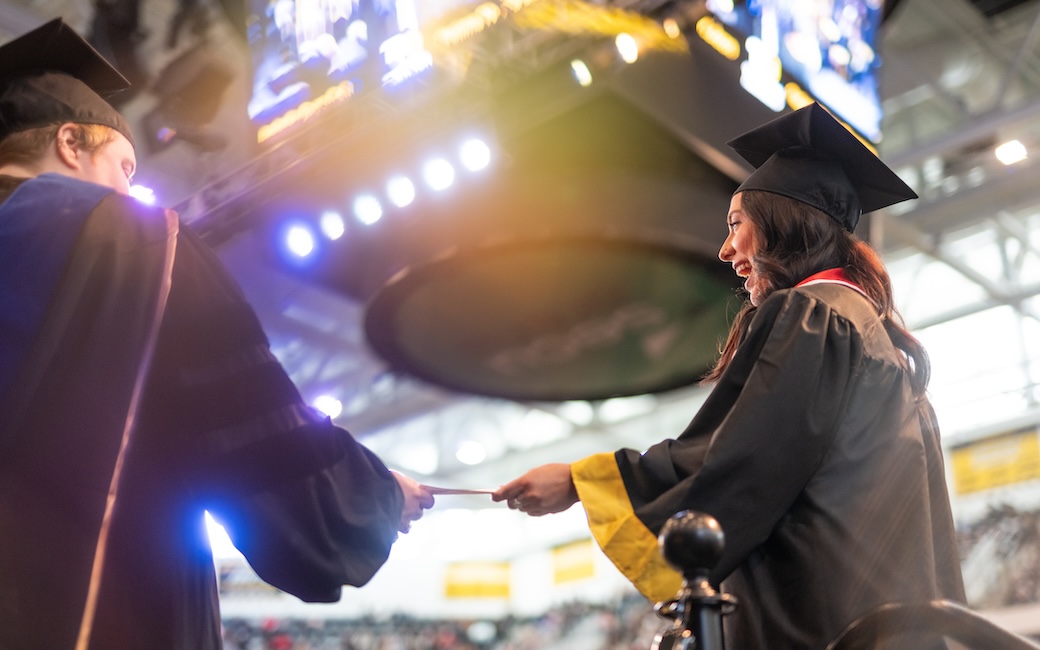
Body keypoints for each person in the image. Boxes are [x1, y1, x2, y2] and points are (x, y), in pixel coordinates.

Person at [0, 19, 434, 650]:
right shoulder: (133, 244)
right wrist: (376, 494)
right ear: (71, 142)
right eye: (122, 167)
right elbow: (280, 475)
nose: (128, 188)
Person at [492, 103, 967, 649]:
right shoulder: (878, 342)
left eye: (736, 225)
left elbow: (738, 461)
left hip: (822, 629)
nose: (726, 251)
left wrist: (582, 481)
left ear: (783, 222)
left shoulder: (811, 319)